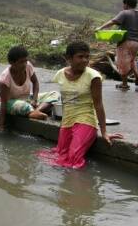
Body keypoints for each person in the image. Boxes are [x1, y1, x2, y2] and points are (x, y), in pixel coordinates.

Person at [38, 41, 123, 169]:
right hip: (67, 121)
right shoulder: (60, 74)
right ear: (68, 58)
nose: (85, 60)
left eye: (87, 56)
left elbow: (98, 105)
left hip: (86, 120)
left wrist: (104, 131)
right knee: (60, 155)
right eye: (80, 56)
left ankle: (78, 186)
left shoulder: (93, 77)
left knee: (74, 158)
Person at [0, 45, 60, 131]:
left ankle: (36, 111)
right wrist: (1, 124)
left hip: (28, 99)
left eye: (25, 61)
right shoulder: (4, 78)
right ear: (12, 63)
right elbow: (4, 103)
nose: (24, 64)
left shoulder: (28, 66)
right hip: (13, 104)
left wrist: (34, 99)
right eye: (21, 62)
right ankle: (34, 110)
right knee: (23, 105)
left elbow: (35, 82)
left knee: (55, 94)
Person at [96, 0, 138, 90]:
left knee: (122, 62)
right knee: (132, 60)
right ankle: (137, 76)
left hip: (125, 41)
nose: (123, 6)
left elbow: (113, 21)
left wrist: (101, 28)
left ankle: (124, 84)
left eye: (123, 4)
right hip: (137, 43)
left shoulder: (125, 13)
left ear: (126, 4)